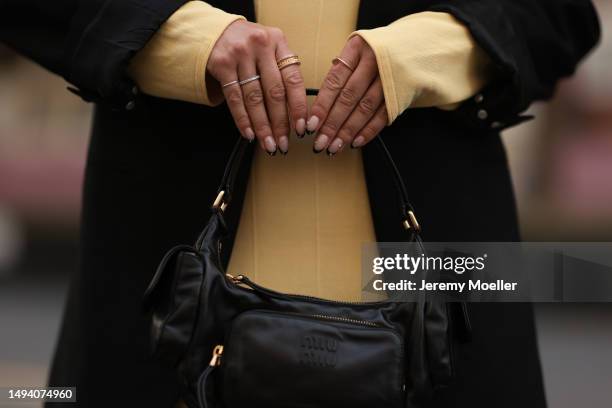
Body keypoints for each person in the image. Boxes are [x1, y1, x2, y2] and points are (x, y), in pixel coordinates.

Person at [0, 1, 600, 407]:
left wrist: (430, 51)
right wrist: (184, 38)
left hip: (429, 286)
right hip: (176, 287)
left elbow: (558, 16)